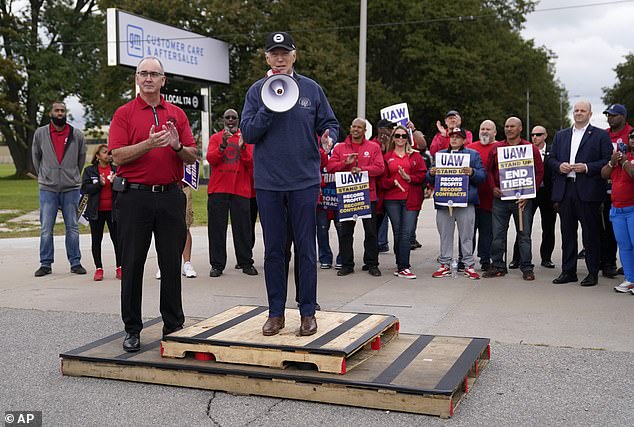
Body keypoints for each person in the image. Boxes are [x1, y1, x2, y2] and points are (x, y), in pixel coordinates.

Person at [241, 32, 338, 337]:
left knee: (306, 249)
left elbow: (330, 124)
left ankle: (307, 311)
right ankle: (276, 312)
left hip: (303, 181)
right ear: (266, 58)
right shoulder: (256, 92)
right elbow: (249, 133)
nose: (280, 59)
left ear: (294, 55)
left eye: (285, 53)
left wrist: (329, 138)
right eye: (274, 54)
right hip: (269, 182)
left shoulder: (311, 89)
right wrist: (269, 106)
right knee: (273, 251)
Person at [109, 56, 197, 352]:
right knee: (132, 263)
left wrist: (176, 146)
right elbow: (117, 156)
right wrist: (149, 144)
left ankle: (173, 325)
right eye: (143, 73)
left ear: (163, 81)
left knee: (171, 263)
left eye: (154, 74)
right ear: (137, 78)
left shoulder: (176, 114)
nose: (148, 78)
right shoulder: (124, 113)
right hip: (135, 198)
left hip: (171, 195)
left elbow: (193, 155)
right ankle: (132, 328)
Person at [548, 101, 612, 287]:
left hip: (588, 190)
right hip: (566, 189)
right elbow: (551, 159)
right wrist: (559, 166)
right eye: (576, 110)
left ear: (590, 114)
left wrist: (586, 167)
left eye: (583, 110)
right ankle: (568, 271)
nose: (579, 113)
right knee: (567, 232)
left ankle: (592, 273)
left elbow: (607, 161)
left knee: (590, 234)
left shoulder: (600, 135)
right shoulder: (561, 135)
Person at [483, 117, 544, 281]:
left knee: (524, 235)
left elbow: (539, 172)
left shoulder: (530, 149)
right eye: (506, 126)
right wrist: (493, 187)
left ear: (520, 128)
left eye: (512, 126)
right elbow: (488, 171)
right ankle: (497, 265)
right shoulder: (497, 148)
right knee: (497, 235)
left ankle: (527, 267)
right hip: (500, 199)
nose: (509, 129)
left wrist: (530, 193)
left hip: (522, 200)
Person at [32, 101, 87, 277]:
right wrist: (45, 174)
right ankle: (45, 264)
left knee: (72, 227)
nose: (60, 113)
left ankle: (75, 262)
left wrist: (71, 175)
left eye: (63, 110)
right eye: (57, 110)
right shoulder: (41, 133)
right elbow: (36, 157)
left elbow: (81, 158)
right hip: (48, 188)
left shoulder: (76, 134)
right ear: (51, 113)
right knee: (46, 228)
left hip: (70, 188)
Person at [327, 118, 385, 277]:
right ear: (350, 128)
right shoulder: (340, 148)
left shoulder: (373, 147)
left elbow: (380, 168)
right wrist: (346, 163)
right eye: (353, 126)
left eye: (359, 127)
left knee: (371, 232)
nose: (356, 129)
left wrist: (362, 169)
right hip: (347, 197)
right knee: (345, 231)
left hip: (368, 195)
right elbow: (330, 167)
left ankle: (372, 263)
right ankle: (347, 264)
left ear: (364, 130)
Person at [428, 127, 485, 280]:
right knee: (445, 234)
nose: (454, 139)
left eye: (458, 137)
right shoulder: (440, 155)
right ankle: (445, 263)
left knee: (467, 235)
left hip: (465, 201)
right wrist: (431, 173)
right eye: (452, 137)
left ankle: (468, 265)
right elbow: (429, 177)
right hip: (444, 201)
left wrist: (472, 172)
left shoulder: (472, 155)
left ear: (464, 140)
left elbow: (481, 176)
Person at [206, 109, 258, 278]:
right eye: (227, 117)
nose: (230, 120)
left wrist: (242, 148)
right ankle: (217, 265)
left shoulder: (245, 138)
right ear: (223, 120)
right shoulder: (216, 138)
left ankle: (245, 262)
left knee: (243, 229)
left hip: (240, 190)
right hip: (218, 190)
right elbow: (211, 159)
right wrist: (222, 145)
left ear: (238, 120)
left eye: (233, 118)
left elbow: (251, 164)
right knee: (216, 229)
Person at [381, 125, 427, 278]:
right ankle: (401, 264)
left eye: (403, 136)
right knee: (398, 232)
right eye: (397, 136)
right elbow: (382, 181)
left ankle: (403, 266)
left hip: (411, 198)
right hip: (392, 200)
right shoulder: (387, 157)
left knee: (406, 233)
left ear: (408, 138)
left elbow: (423, 175)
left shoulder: (415, 156)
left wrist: (409, 178)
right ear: (393, 138)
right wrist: (392, 181)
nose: (400, 139)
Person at [508, 125, 557, 269]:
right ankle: (517, 258)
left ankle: (546, 257)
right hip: (529, 192)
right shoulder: (525, 150)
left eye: (539, 134)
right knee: (523, 225)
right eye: (533, 135)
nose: (535, 137)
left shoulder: (553, 151)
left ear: (545, 135)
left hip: (547, 193)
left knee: (548, 226)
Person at [80, 144, 121, 281]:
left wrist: (117, 181)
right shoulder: (89, 171)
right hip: (96, 211)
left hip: (113, 210)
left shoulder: (116, 169)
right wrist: (99, 184)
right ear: (97, 156)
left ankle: (119, 267)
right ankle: (99, 268)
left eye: (109, 152)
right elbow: (85, 188)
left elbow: (124, 186)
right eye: (105, 152)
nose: (108, 155)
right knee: (96, 240)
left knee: (117, 239)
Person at [601, 103, 632, 277]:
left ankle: (629, 268)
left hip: (627, 190)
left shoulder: (631, 134)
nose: (610, 118)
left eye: (613, 115)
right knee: (608, 230)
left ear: (623, 116)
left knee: (628, 236)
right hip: (607, 188)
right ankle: (608, 263)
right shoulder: (604, 135)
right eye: (608, 115)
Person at [603, 128, 634, 293]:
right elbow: (603, 174)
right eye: (631, 137)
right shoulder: (622, 157)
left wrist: (624, 163)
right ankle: (630, 279)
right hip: (617, 208)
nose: (633, 140)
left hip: (632, 208)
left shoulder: (626, 161)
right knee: (624, 246)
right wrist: (611, 162)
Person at [466, 120, 497, 271]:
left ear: (495, 132)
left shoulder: (500, 148)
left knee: (487, 232)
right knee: (468, 231)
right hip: (471, 198)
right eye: (482, 128)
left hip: (491, 199)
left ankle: (485, 259)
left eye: (488, 129)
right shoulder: (470, 149)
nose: (485, 131)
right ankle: (465, 259)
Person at [371, 118, 396, 253]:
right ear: (380, 129)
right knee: (375, 224)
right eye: (388, 128)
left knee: (397, 226)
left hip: (392, 191)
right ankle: (373, 252)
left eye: (392, 128)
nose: (391, 131)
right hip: (378, 191)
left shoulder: (396, 143)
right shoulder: (372, 145)